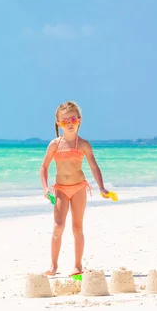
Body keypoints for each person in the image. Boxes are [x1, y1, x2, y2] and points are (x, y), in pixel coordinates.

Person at [40, 100, 110, 276]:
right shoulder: (55, 144)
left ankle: (78, 266)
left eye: (72, 120)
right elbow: (44, 167)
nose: (69, 124)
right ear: (59, 124)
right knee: (58, 226)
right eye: (65, 121)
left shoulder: (84, 144)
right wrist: (45, 188)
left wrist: (101, 187)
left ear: (79, 120)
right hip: (61, 190)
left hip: (79, 188)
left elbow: (94, 166)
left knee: (77, 227)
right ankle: (53, 265)